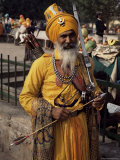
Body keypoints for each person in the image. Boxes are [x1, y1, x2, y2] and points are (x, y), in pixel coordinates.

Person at [19, 3, 105, 160]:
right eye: (63, 36)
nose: (68, 40)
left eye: (71, 35)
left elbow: (94, 89)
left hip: (82, 129)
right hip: (55, 133)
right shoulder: (41, 65)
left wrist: (98, 98)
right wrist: (51, 111)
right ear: (55, 38)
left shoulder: (85, 63)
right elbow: (25, 97)